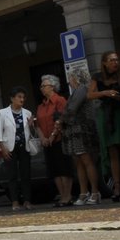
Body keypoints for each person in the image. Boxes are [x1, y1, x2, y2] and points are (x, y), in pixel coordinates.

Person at [91, 51, 120, 202]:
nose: (115, 62)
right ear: (104, 62)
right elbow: (89, 95)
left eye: (117, 60)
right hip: (107, 115)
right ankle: (117, 186)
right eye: (112, 60)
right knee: (112, 151)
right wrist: (104, 92)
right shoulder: (98, 77)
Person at [0, 88, 41, 210]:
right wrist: (2, 148)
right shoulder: (3, 113)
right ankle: (15, 202)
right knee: (12, 175)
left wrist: (31, 126)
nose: (22, 99)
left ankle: (27, 201)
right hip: (10, 148)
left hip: (24, 147)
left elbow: (31, 133)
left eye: (23, 97)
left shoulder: (27, 113)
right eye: (19, 97)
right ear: (12, 98)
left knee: (26, 174)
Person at [63, 69, 101, 205]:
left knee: (86, 161)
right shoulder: (78, 90)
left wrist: (60, 119)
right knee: (79, 162)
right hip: (77, 129)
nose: (69, 81)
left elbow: (72, 108)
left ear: (77, 78)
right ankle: (83, 193)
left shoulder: (82, 89)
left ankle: (95, 192)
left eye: (71, 78)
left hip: (82, 129)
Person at [38, 75, 73, 206]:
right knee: (55, 171)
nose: (41, 88)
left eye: (44, 86)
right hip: (47, 142)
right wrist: (43, 138)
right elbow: (38, 124)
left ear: (52, 87)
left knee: (64, 168)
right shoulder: (41, 105)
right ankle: (62, 195)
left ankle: (67, 196)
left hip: (59, 140)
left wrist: (53, 135)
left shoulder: (60, 100)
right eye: (41, 86)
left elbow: (61, 119)